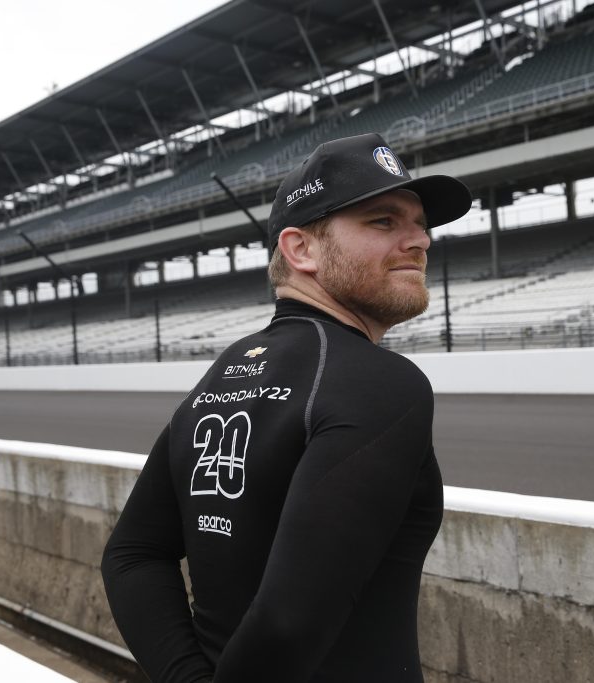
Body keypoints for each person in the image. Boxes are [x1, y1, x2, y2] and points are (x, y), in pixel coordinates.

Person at [101, 132, 472, 682]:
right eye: (384, 221)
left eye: (421, 223)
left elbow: (131, 556)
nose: (420, 241)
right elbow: (286, 620)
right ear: (301, 250)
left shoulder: (226, 372)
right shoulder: (382, 383)